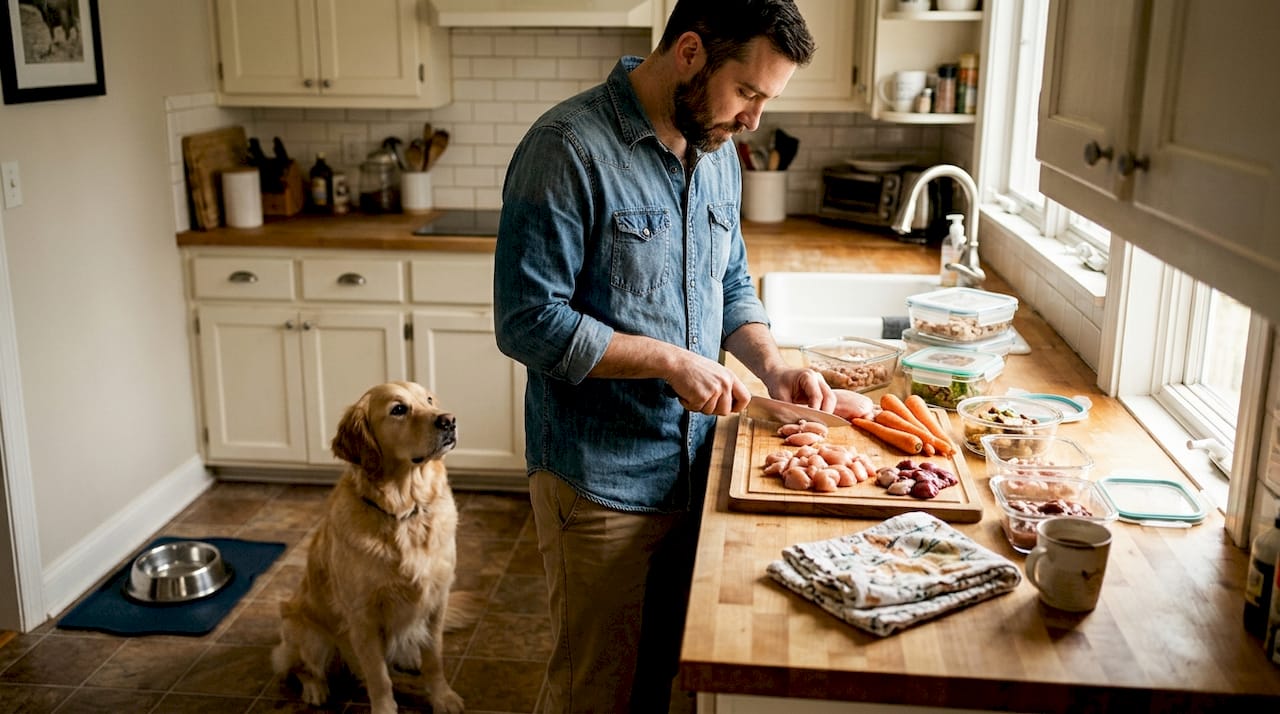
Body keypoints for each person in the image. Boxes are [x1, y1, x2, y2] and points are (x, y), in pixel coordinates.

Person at [494, 2, 863, 711]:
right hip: (601, 481)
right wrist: (670, 361)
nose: (754, 119)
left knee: (667, 678)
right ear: (690, 52)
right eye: (749, 92)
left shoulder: (716, 148)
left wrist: (774, 364)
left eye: (767, 100)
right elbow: (526, 322)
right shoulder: (567, 147)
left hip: (698, 469)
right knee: (594, 690)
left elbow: (727, 281)